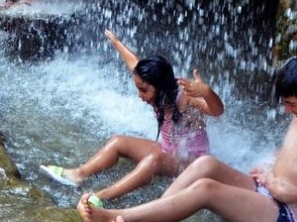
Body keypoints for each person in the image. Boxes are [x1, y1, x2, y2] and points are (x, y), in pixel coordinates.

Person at [77, 56, 297, 222]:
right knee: (204, 164)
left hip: (284, 213)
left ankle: (118, 217)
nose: (288, 111)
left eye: (292, 105)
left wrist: (286, 192)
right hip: (267, 190)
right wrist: (270, 168)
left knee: (206, 190)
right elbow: (294, 154)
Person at [40, 29, 224, 205]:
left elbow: (216, 111)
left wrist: (206, 92)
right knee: (118, 141)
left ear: (160, 88)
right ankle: (78, 175)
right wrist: (117, 43)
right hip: (167, 153)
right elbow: (134, 62)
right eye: (138, 89)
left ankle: (102, 197)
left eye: (143, 90)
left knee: (155, 160)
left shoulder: (185, 96)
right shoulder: (155, 85)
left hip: (192, 162)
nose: (140, 95)